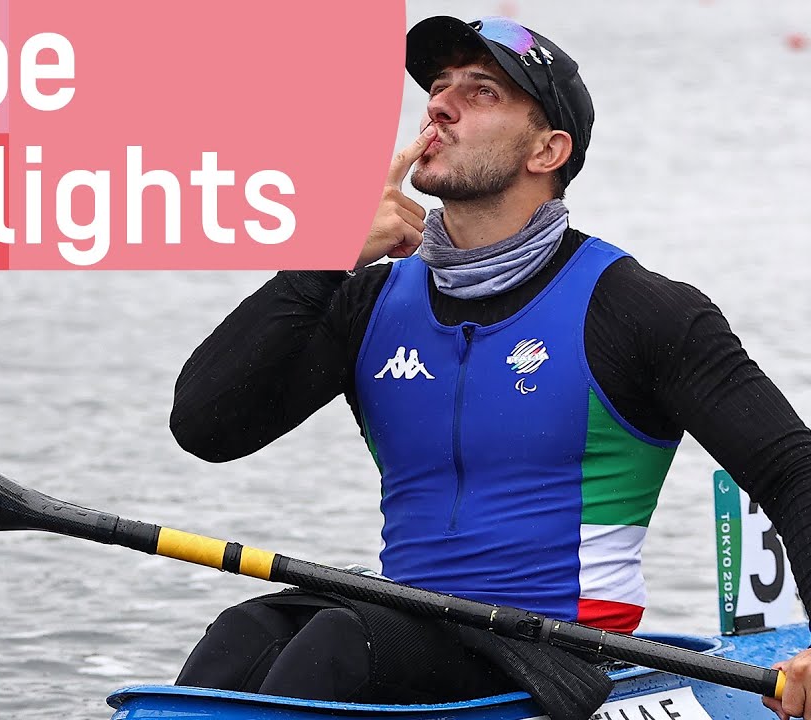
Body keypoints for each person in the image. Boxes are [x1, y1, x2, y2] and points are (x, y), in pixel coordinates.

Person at [168, 15, 811, 720]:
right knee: (245, 634)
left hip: (562, 653)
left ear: (547, 150)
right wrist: (323, 258)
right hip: (406, 629)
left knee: (342, 642)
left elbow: (793, 469)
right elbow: (204, 428)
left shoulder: (637, 311)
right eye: (438, 88)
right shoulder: (368, 301)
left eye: (481, 92)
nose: (440, 106)